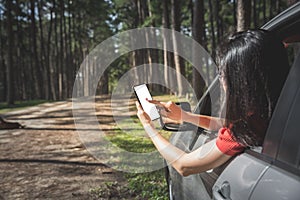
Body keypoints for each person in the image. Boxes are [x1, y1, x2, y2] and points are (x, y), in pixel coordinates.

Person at [136, 29, 290, 177]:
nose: (221, 81)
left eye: (223, 74)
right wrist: (185, 116)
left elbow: (184, 165)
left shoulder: (249, 130)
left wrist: (149, 127)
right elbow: (227, 124)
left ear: (241, 81)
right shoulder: (281, 109)